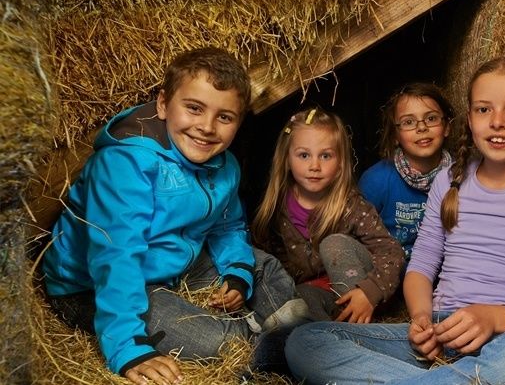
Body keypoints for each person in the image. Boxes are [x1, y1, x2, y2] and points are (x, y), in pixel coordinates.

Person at [285, 55, 505, 385]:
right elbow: (420, 268)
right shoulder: (450, 181)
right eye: (483, 109)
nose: (497, 122)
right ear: (470, 118)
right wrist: (420, 318)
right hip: (440, 332)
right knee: (306, 342)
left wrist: (496, 317)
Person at [42, 47, 308, 385]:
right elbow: (116, 256)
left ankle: (285, 324)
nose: (207, 127)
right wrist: (127, 347)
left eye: (225, 117)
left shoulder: (225, 166)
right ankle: (263, 339)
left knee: (262, 265)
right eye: (194, 108)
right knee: (215, 343)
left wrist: (237, 273)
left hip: (175, 262)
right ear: (164, 104)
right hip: (95, 284)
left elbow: (227, 227)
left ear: (239, 121)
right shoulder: (124, 163)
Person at [252, 108, 406, 324]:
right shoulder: (276, 209)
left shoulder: (351, 205)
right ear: (287, 159)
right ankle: (328, 340)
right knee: (299, 302)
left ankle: (359, 328)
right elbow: (267, 262)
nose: (314, 166)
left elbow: (391, 252)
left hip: (361, 289)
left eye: (325, 156)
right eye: (304, 155)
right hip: (319, 295)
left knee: (333, 244)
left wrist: (370, 292)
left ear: (341, 162)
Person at [359, 82, 455, 260]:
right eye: (408, 122)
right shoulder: (376, 180)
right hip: (385, 275)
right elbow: (357, 237)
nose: (421, 127)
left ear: (447, 127)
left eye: (431, 118)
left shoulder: (461, 177)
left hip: (444, 275)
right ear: (395, 136)